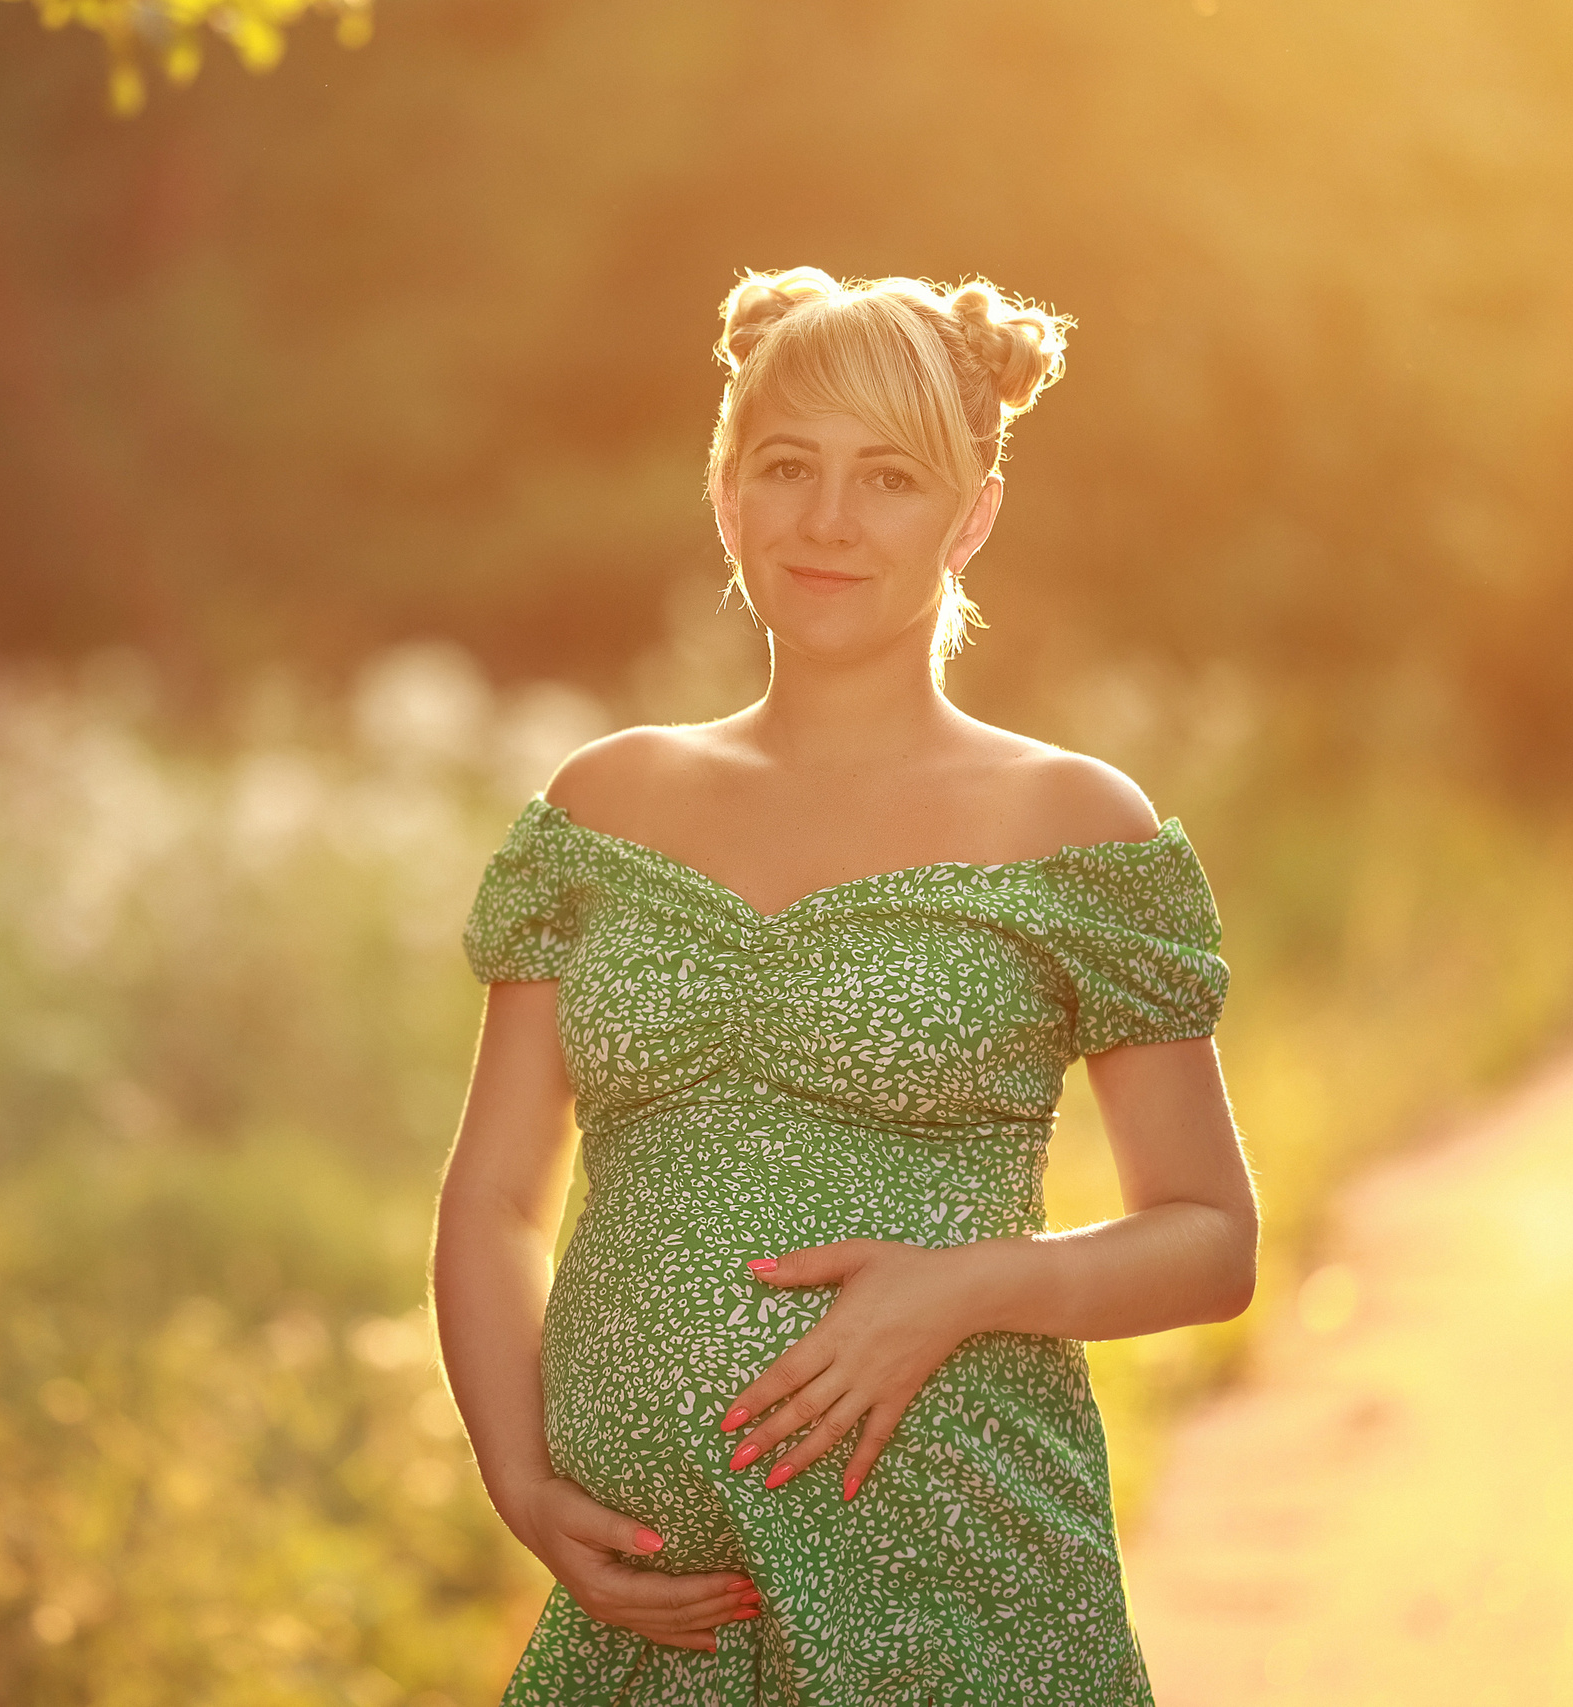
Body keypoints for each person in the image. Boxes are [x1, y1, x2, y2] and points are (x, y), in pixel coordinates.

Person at [431, 267, 1259, 1706]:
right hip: (654, 1623)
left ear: (973, 512)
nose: (828, 519)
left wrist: (965, 1290)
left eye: (889, 477)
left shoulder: (1071, 825)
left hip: (961, 1603)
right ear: (727, 494)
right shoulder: (605, 804)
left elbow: (1212, 1239)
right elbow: (496, 1197)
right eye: (788, 468)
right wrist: (518, 1478)